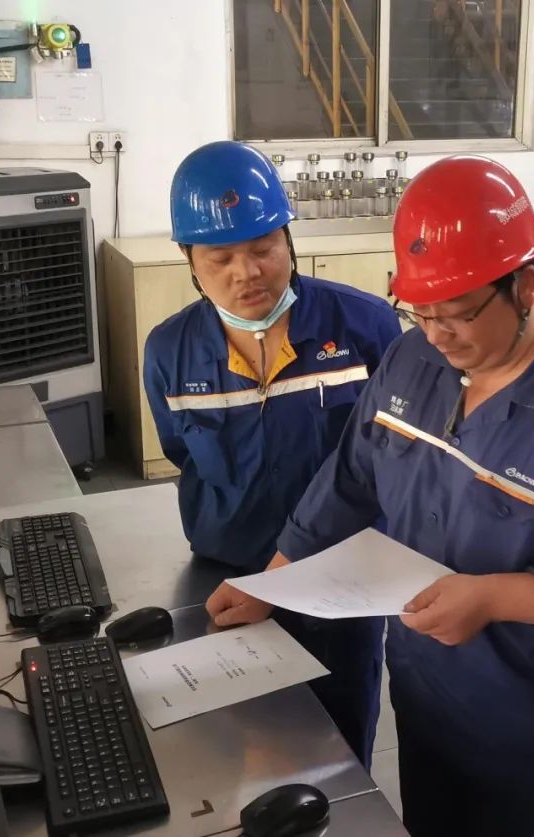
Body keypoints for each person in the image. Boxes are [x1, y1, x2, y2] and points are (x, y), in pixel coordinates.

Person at [206, 155, 534, 835]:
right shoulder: (414, 359)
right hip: (427, 697)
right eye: (419, 312)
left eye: (455, 315)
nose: (434, 334)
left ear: (523, 285)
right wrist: (273, 582)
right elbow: (353, 475)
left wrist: (492, 597)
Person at [143, 141, 401, 768]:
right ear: (189, 260)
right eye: (221, 257)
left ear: (288, 238)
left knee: (340, 753)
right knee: (238, 755)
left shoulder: (366, 327)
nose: (247, 272)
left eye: (263, 247)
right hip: (227, 581)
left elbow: (389, 463)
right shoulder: (169, 353)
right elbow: (180, 452)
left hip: (339, 587)